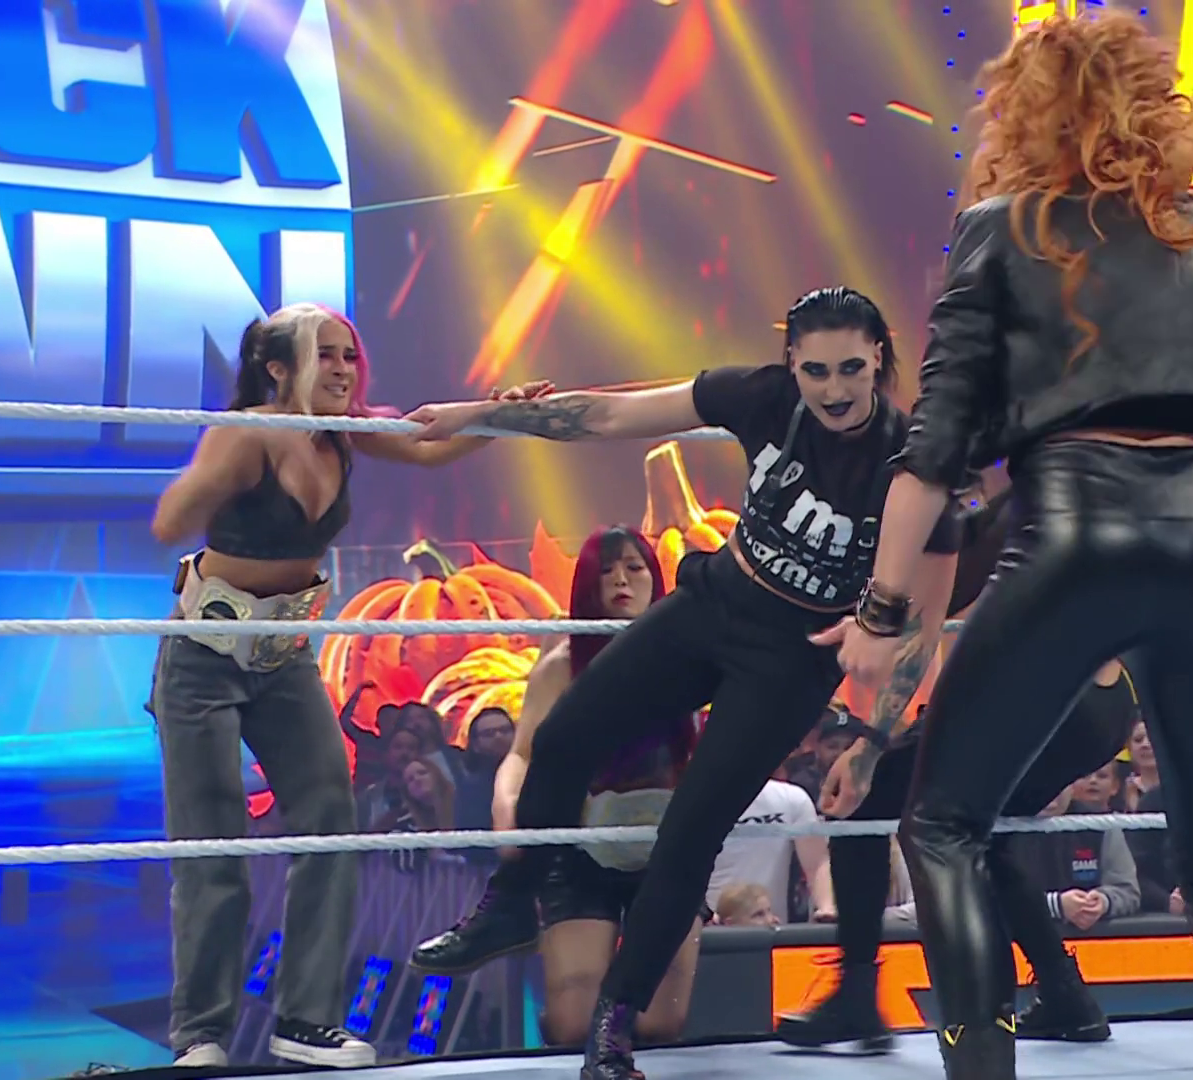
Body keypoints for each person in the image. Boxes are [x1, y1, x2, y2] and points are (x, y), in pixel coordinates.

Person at [816, 13, 1193, 1080]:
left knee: (944, 829)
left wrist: (882, 613)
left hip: (1073, 537)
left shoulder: (1003, 229)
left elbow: (935, 447)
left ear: (1026, 110)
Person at [403, 287, 966, 1080]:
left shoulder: (912, 467)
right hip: (712, 606)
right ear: (790, 365)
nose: (834, 390)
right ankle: (511, 902)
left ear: (879, 356)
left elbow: (923, 629)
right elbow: (609, 414)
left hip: (790, 662)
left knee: (691, 834)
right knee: (563, 737)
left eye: (850, 368)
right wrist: (479, 416)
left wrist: (871, 745)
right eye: (815, 371)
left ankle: (614, 1026)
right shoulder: (763, 397)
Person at [147, 303, 546, 1069]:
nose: (341, 370)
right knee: (212, 843)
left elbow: (432, 446)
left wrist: (504, 413)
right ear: (277, 368)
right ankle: (201, 1033)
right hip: (205, 656)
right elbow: (171, 521)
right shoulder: (247, 431)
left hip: (284, 655)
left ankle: (306, 1020)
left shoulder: (346, 429)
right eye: (323, 355)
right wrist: (223, 470)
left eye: (349, 356)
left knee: (332, 821)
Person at [779, 478, 1133, 1051]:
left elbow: (923, 628)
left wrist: (871, 745)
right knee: (982, 835)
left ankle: (865, 999)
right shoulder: (1045, 494)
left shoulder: (1000, 508)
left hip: (1049, 703)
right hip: (1100, 703)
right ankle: (1065, 996)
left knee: (871, 799)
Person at [493, 526, 705, 1046]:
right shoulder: (563, 666)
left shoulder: (691, 657)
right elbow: (522, 753)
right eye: (606, 570)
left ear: (655, 578)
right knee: (573, 1023)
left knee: (660, 1023)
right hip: (581, 848)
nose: (620, 581)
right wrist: (507, 808)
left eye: (633, 567)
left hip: (667, 847)